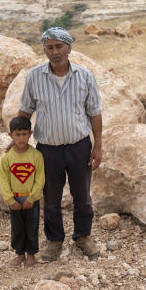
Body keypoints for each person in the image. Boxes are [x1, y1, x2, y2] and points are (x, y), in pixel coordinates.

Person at [17, 26, 102, 261]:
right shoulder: (35, 77)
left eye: (59, 47)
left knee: (82, 196)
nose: (55, 52)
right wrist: (17, 142)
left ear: (69, 48)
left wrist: (98, 146)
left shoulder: (84, 76)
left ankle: (83, 236)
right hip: (48, 149)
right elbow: (25, 110)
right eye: (50, 47)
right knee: (51, 198)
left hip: (79, 146)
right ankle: (54, 240)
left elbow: (94, 113)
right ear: (45, 50)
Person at [0, 116, 45, 267]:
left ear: (30, 134)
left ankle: (31, 255)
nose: (21, 138)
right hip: (15, 201)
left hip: (31, 200)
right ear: (10, 135)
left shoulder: (36, 156)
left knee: (32, 228)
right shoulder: (7, 158)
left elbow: (40, 179)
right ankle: (20, 254)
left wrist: (32, 198)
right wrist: (10, 200)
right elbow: (4, 180)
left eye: (24, 134)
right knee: (17, 228)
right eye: (17, 134)